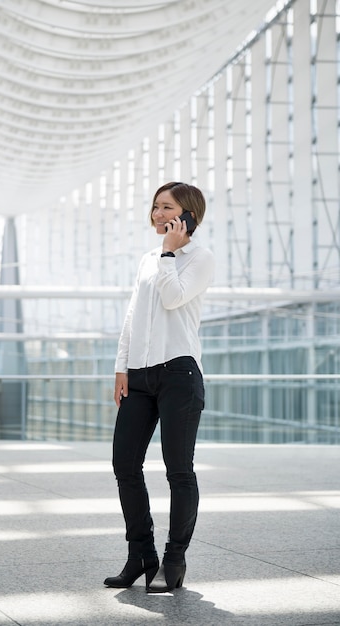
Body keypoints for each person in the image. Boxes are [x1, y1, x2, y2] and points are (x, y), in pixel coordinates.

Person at [103, 181, 215, 593]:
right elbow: (134, 317)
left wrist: (170, 252)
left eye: (165, 208)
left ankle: (174, 560)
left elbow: (173, 299)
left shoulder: (200, 258)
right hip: (141, 375)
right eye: (154, 207)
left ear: (187, 214)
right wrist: (121, 369)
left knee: (178, 471)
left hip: (179, 375)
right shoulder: (148, 259)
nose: (156, 214)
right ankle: (141, 556)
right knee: (124, 465)